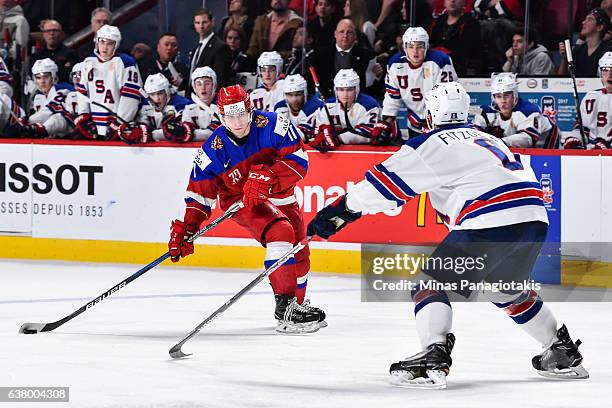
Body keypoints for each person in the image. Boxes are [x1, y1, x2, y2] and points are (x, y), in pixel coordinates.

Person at [307, 81, 588, 389]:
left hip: (490, 219)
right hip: (534, 219)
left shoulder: (431, 143)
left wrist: (338, 211)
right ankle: (559, 348)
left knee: (429, 283)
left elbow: (380, 188)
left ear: (431, 114)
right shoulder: (487, 137)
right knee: (503, 290)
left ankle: (433, 353)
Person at [167, 84, 326, 333]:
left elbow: (300, 162)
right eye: (230, 115)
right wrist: (187, 228)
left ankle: (297, 304)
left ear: (250, 109)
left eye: (241, 113)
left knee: (300, 251)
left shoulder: (275, 124)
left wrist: (269, 177)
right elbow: (199, 195)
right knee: (280, 231)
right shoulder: (212, 151)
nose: (237, 121)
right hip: (242, 201)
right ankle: (286, 309)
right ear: (221, 116)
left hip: (282, 195)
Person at [378, 27, 457, 140]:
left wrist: (434, 121)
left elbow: (449, 96)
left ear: (426, 46)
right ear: (405, 47)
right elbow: (393, 97)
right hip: (414, 123)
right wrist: (387, 122)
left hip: (440, 123)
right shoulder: (395, 64)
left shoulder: (440, 61)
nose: (415, 51)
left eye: (419, 46)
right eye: (411, 46)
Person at [75, 25, 142, 140]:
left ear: (116, 45)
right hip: (93, 125)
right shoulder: (88, 62)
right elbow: (82, 93)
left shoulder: (125, 63)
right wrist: (84, 116)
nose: (104, 47)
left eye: (110, 43)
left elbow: (130, 97)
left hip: (116, 125)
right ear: (97, 42)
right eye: (102, 42)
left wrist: (119, 122)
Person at [473, 73, 559, 148]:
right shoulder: (483, 111)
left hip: (546, 141)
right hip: (508, 144)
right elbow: (473, 133)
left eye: (506, 95)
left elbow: (527, 140)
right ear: (493, 98)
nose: (503, 100)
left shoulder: (529, 110)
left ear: (514, 95)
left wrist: (498, 142)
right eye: (498, 96)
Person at [307, 18, 383, 99]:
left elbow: (372, 87)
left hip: (356, 103)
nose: (345, 36)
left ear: (355, 36)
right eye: (342, 32)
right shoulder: (320, 55)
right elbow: (310, 81)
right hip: (327, 101)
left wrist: (378, 76)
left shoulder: (367, 56)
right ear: (335, 34)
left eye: (349, 32)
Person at [309, 69, 382, 149]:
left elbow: (367, 136)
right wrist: (325, 134)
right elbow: (319, 132)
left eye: (349, 89)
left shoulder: (369, 105)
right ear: (335, 90)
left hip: (372, 151)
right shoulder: (328, 106)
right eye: (341, 89)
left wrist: (337, 138)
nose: (345, 94)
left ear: (356, 89)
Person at [118, 73, 192, 144]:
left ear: (167, 92)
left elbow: (187, 131)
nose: (157, 99)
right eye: (152, 94)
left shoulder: (182, 105)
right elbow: (143, 124)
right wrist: (138, 130)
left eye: (160, 93)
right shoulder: (145, 106)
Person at [563, 52, 612, 150]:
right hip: (592, 149)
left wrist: (607, 145)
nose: (610, 74)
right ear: (600, 73)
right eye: (605, 70)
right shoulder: (590, 97)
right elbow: (583, 129)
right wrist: (575, 138)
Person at [22, 58, 74, 138]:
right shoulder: (38, 97)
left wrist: (27, 120)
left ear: (53, 77)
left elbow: (50, 111)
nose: (42, 81)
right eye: (38, 78)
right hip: (47, 138)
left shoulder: (64, 89)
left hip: (67, 138)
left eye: (45, 77)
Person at [428, 0, 482, 75]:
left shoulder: (471, 23)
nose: (452, 1)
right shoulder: (438, 22)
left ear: (464, 2)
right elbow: (430, 43)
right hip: (433, 65)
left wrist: (445, 55)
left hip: (458, 67)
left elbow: (468, 51)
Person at [558, 8, 612, 77]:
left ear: (600, 27)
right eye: (585, 19)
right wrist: (564, 59)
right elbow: (561, 79)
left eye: (590, 19)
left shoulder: (608, 52)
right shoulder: (577, 50)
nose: (583, 22)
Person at [189, 8, 232, 92]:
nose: (201, 26)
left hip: (209, 100)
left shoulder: (220, 47)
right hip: (193, 98)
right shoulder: (196, 49)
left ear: (212, 22)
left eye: (204, 22)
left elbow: (221, 80)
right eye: (197, 23)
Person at [274, 73, 323, 141]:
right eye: (290, 95)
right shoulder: (280, 107)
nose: (294, 99)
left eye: (298, 94)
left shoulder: (315, 106)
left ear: (304, 94)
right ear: (285, 95)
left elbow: (301, 136)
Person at [29, 19, 78, 84]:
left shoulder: (71, 53)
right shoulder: (36, 56)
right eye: (48, 31)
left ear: (61, 33)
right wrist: (60, 68)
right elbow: (33, 76)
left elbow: (72, 75)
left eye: (55, 30)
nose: (51, 33)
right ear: (43, 34)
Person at [182, 66, 221, 141]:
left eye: (207, 83)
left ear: (214, 85)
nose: (203, 87)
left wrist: (189, 134)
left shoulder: (223, 103)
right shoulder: (189, 107)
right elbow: (186, 126)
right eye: (199, 84)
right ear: (194, 87)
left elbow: (214, 132)